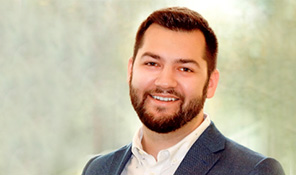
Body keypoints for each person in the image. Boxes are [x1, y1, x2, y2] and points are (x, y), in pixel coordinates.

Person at [82, 7, 285, 175]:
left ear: (211, 84)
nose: (165, 82)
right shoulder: (98, 169)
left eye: (185, 68)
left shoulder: (253, 171)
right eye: (152, 63)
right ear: (131, 71)